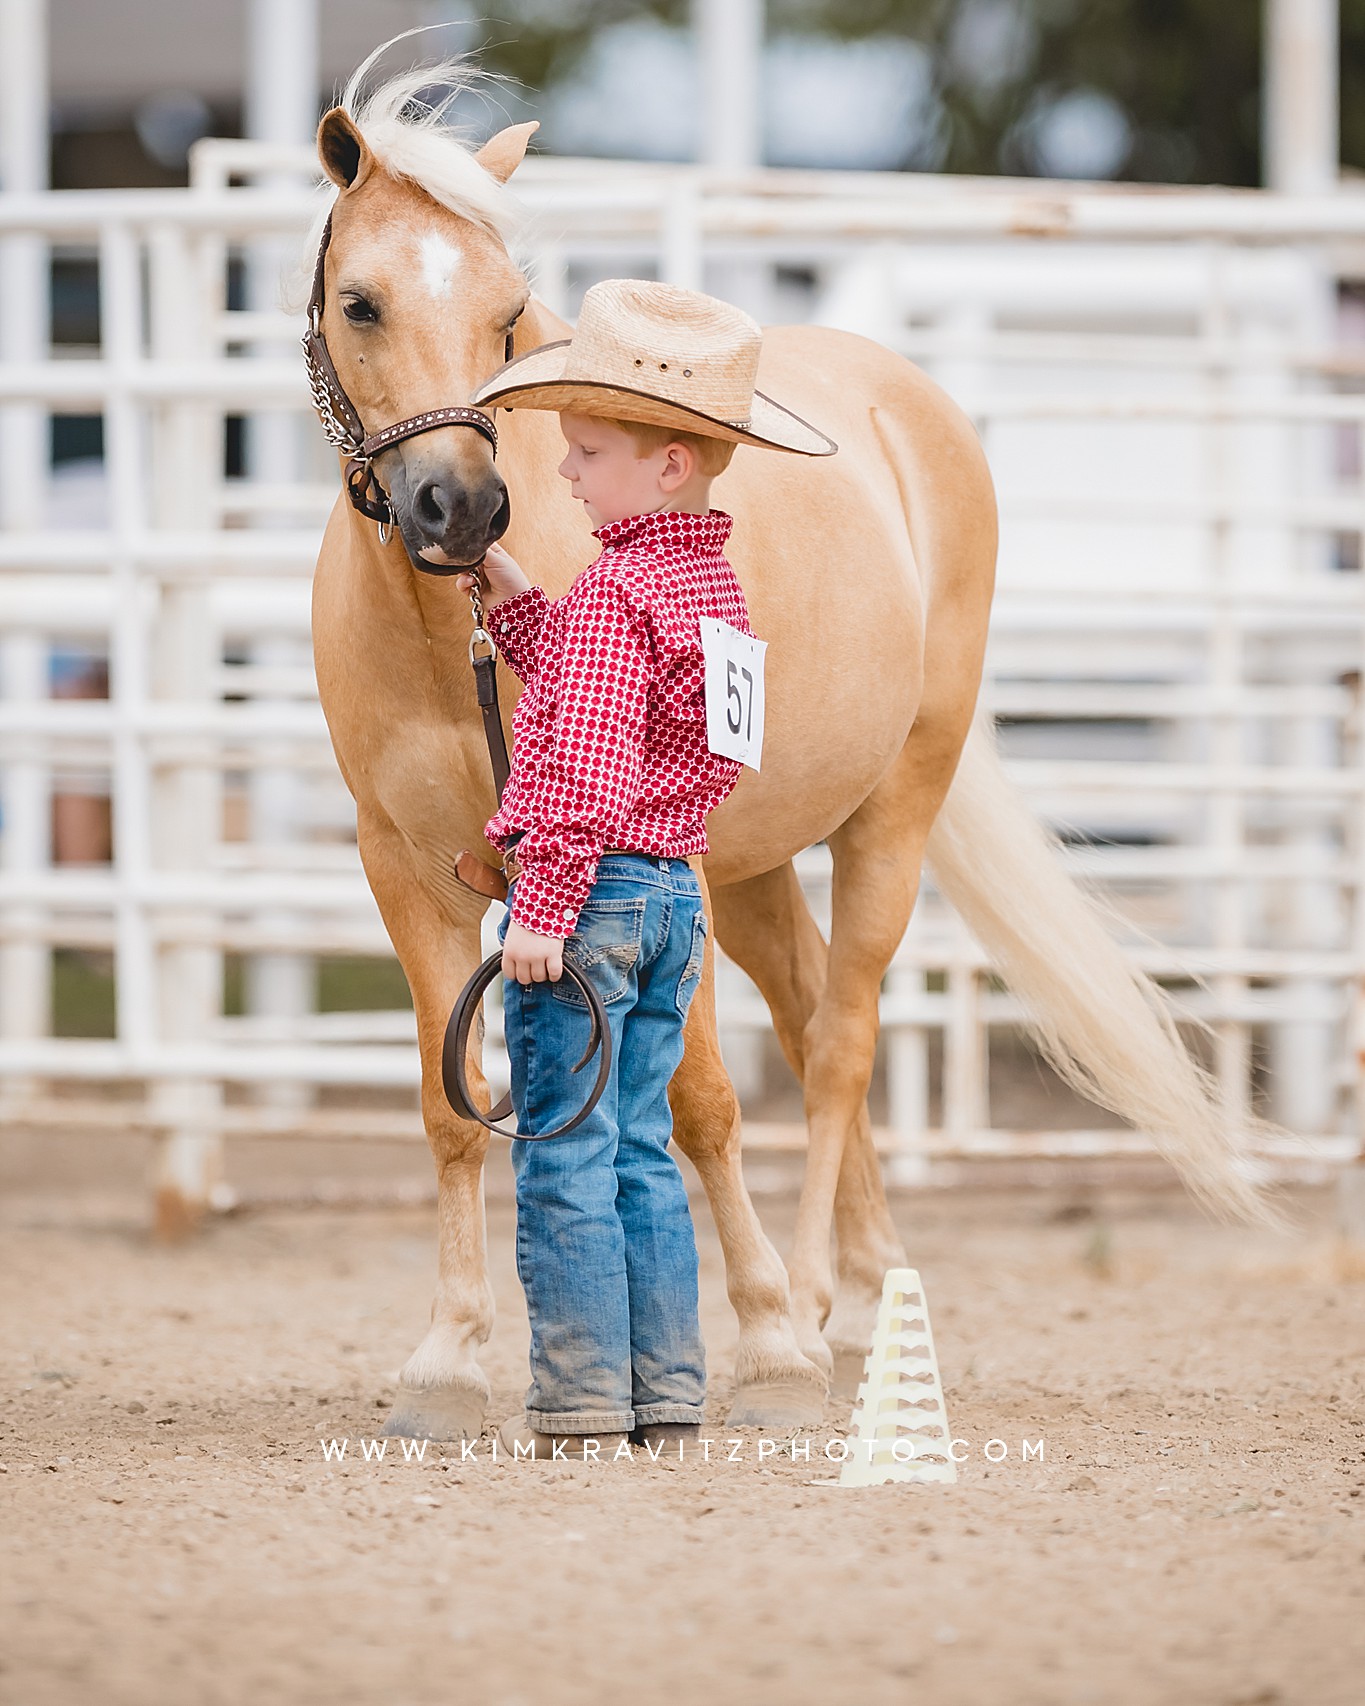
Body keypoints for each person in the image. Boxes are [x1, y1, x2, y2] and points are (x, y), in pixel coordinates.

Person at [455, 278, 835, 1461]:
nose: (563, 472)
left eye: (588, 451)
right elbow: (658, 718)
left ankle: (576, 1401)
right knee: (637, 1148)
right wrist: (515, 597)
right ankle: (665, 1390)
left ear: (667, 466)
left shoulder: (620, 591)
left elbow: (584, 753)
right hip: (676, 890)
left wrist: (547, 905)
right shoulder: (714, 591)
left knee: (564, 1151)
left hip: (597, 894)